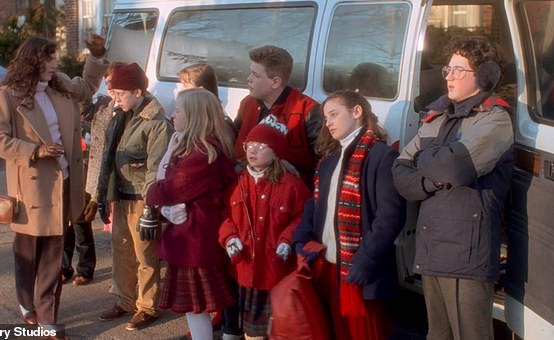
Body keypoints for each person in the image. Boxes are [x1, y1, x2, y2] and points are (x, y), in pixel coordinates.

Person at [0, 34, 108, 336]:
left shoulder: (61, 84)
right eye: (49, 58)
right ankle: (27, 302)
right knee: (27, 252)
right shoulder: (7, 96)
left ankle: (47, 317)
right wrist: (34, 151)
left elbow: (87, 87)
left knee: (53, 252)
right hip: (31, 187)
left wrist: (96, 55)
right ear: (33, 61)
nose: (54, 63)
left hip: (64, 181)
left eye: (55, 57)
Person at [392, 36, 513, 340]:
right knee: (437, 335)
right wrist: (434, 176)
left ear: (484, 77)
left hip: (468, 254)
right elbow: (400, 173)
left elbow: (454, 168)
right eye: (448, 69)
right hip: (433, 248)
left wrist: (426, 161)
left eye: (459, 70)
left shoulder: (495, 120)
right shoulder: (437, 117)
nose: (449, 77)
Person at [293, 90, 406, 340]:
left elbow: (390, 217)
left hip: (361, 271)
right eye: (325, 118)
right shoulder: (329, 159)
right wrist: (301, 239)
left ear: (357, 112)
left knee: (364, 333)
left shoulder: (381, 156)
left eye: (334, 114)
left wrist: (365, 260)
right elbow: (315, 204)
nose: (328, 123)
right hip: (329, 265)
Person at [145, 88, 236, 340]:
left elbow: (171, 188)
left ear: (194, 116)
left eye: (178, 111)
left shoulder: (201, 153)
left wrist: (152, 193)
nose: (172, 115)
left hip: (195, 240)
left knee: (197, 308)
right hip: (193, 237)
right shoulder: (196, 147)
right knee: (195, 309)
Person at [96, 62, 173, 331]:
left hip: (142, 196)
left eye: (120, 93)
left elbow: (157, 166)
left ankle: (148, 305)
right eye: (113, 92)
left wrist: (152, 208)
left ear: (138, 91)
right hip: (122, 194)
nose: (115, 98)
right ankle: (125, 300)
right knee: (121, 250)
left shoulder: (156, 122)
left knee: (145, 254)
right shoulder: (121, 115)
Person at [218, 115, 310, 340]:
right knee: (251, 330)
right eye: (250, 145)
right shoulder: (237, 181)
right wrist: (229, 237)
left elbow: (303, 217)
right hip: (245, 268)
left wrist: (287, 239)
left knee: (278, 327)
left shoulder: (291, 184)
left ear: (276, 152)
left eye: (261, 146)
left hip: (275, 270)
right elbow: (223, 215)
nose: (253, 150)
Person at [62, 63, 119, 286]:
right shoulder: (101, 104)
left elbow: (86, 114)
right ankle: (63, 266)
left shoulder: (116, 106)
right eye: (108, 84)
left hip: (95, 172)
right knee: (64, 222)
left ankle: (85, 267)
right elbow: (84, 110)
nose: (111, 88)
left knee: (80, 220)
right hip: (73, 169)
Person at [233, 45, 321, 186]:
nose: (248, 79)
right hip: (246, 190)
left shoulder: (308, 110)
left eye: (255, 75)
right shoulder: (247, 104)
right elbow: (233, 144)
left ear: (275, 82)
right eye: (250, 73)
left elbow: (323, 163)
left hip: (287, 195)